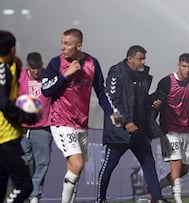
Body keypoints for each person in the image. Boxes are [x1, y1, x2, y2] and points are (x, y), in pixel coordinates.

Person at [41, 28, 112, 203]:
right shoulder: (55, 63)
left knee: (75, 169)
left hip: (82, 124)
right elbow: (46, 90)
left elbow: (101, 92)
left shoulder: (92, 63)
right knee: (78, 163)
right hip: (61, 121)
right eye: (62, 43)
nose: (62, 47)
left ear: (79, 46)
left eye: (67, 44)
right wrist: (65, 75)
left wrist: (110, 113)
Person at [97, 45, 169, 203]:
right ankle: (100, 199)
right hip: (120, 131)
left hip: (139, 130)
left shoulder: (143, 76)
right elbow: (112, 99)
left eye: (144, 58)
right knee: (109, 165)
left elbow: (140, 102)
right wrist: (127, 122)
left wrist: (153, 103)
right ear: (130, 59)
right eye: (140, 58)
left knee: (149, 163)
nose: (143, 62)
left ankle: (157, 198)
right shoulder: (116, 73)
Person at [156, 53, 189, 203]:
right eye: (184, 66)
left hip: (184, 130)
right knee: (176, 168)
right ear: (178, 65)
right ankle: (178, 200)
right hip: (169, 130)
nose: (187, 70)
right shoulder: (166, 82)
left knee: (184, 170)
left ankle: (156, 188)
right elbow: (155, 105)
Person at [0, 30, 40, 203]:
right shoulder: (2, 68)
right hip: (5, 137)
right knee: (24, 185)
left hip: (7, 136)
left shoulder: (11, 66)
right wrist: (26, 116)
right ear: (13, 49)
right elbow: (2, 103)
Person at [18, 52, 53, 203]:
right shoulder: (19, 77)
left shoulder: (48, 76)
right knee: (23, 164)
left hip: (43, 129)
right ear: (28, 67)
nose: (37, 71)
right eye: (33, 68)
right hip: (21, 129)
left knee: (42, 164)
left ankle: (34, 196)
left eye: (39, 67)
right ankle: (24, 194)